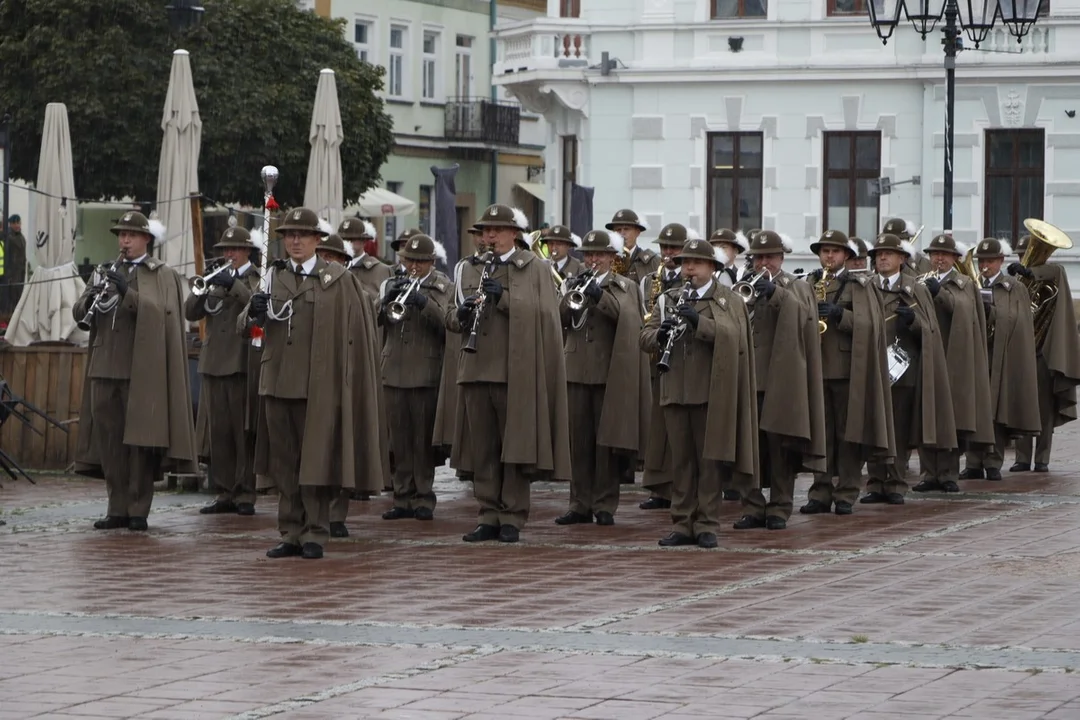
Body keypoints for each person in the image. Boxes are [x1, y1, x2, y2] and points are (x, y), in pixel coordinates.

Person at [239, 207, 387, 559]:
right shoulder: (272, 277)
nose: (294, 241)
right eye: (289, 235)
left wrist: (345, 380)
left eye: (302, 235)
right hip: (277, 382)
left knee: (316, 462)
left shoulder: (336, 278)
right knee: (284, 463)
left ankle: (316, 532)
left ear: (317, 240)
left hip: (319, 384)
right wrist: (253, 312)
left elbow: (355, 331)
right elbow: (246, 328)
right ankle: (290, 531)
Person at [445, 204, 571, 543]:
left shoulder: (533, 268)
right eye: (486, 230)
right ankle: (488, 513)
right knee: (482, 448)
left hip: (514, 370)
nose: (489, 236)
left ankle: (513, 514)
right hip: (475, 368)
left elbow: (545, 315)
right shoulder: (468, 269)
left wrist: (505, 300)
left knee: (514, 446)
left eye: (497, 230)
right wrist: (460, 314)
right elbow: (449, 316)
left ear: (514, 233)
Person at [73, 211, 196, 531]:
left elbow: (162, 317)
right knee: (110, 443)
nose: (124, 240)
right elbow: (79, 313)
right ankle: (116, 507)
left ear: (147, 240)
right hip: (104, 366)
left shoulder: (162, 274)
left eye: (130, 235)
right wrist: (90, 296)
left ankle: (139, 508)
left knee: (140, 442)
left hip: (141, 369)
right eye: (120, 235)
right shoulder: (105, 270)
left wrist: (127, 292)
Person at [640, 237, 758, 549]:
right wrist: (658, 335)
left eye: (696, 263)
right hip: (675, 389)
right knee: (681, 462)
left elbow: (735, 338)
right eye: (684, 263)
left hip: (710, 392)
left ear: (712, 267)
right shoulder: (669, 298)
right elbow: (645, 336)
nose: (688, 268)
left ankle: (706, 523)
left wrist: (700, 324)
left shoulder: (727, 299)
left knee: (709, 463)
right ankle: (681, 522)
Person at [731, 230, 825, 531]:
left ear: (781, 257)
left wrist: (776, 293)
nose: (763, 263)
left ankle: (780, 506)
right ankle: (752, 506)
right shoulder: (740, 287)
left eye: (769, 257)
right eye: (758, 257)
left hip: (780, 381)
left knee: (780, 447)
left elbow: (804, 317)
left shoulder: (794, 286)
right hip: (748, 379)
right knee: (749, 448)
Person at [556, 229, 649, 527]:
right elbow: (560, 319)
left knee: (606, 442)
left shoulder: (625, 285)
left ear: (612, 257)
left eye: (600, 254)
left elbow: (629, 319)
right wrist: (572, 296)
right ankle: (578, 503)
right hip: (576, 370)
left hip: (609, 373)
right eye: (589, 255)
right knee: (578, 442)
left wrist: (601, 297)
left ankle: (605, 504)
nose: (593, 260)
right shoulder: (572, 283)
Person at [800, 230, 894, 516]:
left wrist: (841, 315)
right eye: (825, 251)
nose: (829, 256)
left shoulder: (859, 285)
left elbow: (871, 325)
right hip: (815, 368)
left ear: (847, 256)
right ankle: (820, 490)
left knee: (847, 433)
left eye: (835, 251)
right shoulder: (810, 282)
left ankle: (847, 491)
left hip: (844, 370)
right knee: (820, 433)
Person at [862, 233, 956, 505]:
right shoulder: (866, 286)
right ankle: (875, 482)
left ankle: (895, 483)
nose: (882, 258)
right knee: (874, 427)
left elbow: (930, 331)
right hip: (873, 367)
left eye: (888, 253)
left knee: (899, 432)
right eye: (878, 254)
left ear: (902, 259)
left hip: (903, 371)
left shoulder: (916, 288)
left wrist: (913, 321)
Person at [186, 225, 261, 516]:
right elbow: (190, 312)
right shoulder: (214, 279)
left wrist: (234, 285)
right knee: (218, 433)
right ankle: (224, 491)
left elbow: (255, 305)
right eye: (225, 250)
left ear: (246, 251)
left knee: (242, 431)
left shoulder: (257, 276)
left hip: (241, 362)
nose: (229, 255)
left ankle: (245, 493)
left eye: (234, 249)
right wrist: (203, 287)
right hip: (215, 362)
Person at [377, 234, 451, 520]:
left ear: (431, 261)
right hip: (392, 369)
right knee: (398, 439)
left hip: (424, 372)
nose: (414, 266)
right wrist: (386, 300)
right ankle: (401, 496)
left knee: (421, 440)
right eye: (410, 261)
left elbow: (447, 322)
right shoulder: (390, 283)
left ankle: (423, 497)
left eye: (420, 261)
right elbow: (374, 318)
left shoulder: (442, 285)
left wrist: (423, 301)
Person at [914, 234, 995, 493]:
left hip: (952, 358)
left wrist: (939, 294)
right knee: (926, 415)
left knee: (950, 417)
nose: (938, 258)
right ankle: (928, 473)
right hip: (925, 355)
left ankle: (948, 472)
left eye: (944, 254)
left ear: (955, 258)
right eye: (934, 254)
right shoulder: (919, 281)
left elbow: (962, 310)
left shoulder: (964, 283)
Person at [961, 238, 1041, 481]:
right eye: (982, 261)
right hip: (974, 353)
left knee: (994, 409)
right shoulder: (970, 284)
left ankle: (993, 462)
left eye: (991, 261)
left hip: (998, 355)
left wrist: (990, 311)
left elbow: (1015, 319)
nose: (985, 265)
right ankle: (973, 462)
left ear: (1000, 261)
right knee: (973, 408)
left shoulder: (1012, 287)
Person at [1008, 235, 1080, 473]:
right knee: (1021, 405)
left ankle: (1042, 459)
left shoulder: (1052, 273)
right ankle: (1021, 457)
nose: (1023, 259)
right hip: (1019, 352)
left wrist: (1030, 273)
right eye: (1020, 255)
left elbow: (1054, 272)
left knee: (1044, 409)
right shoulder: (1017, 281)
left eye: (1026, 254)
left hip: (1042, 352)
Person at [638, 223, 692, 511]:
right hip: (654, 357)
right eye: (664, 248)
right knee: (657, 429)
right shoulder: (649, 280)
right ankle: (659, 488)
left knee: (678, 431)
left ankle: (678, 490)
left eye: (674, 248)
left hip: (681, 362)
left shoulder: (692, 280)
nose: (668, 253)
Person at [340, 218, 392, 296]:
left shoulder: (380, 270)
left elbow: (382, 302)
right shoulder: (333, 266)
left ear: (364, 241)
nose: (346, 243)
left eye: (351, 239)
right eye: (343, 240)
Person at [606, 209, 660, 284]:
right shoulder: (606, 260)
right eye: (618, 230)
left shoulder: (652, 261)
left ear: (637, 232)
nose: (622, 233)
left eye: (626, 229)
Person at [2, 214, 26, 314]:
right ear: (10, 224)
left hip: (20, 273)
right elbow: (7, 257)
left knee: (18, 299)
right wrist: (8, 275)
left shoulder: (21, 237)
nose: (17, 225)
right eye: (14, 223)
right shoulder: (8, 238)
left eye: (18, 222)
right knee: (11, 302)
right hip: (11, 275)